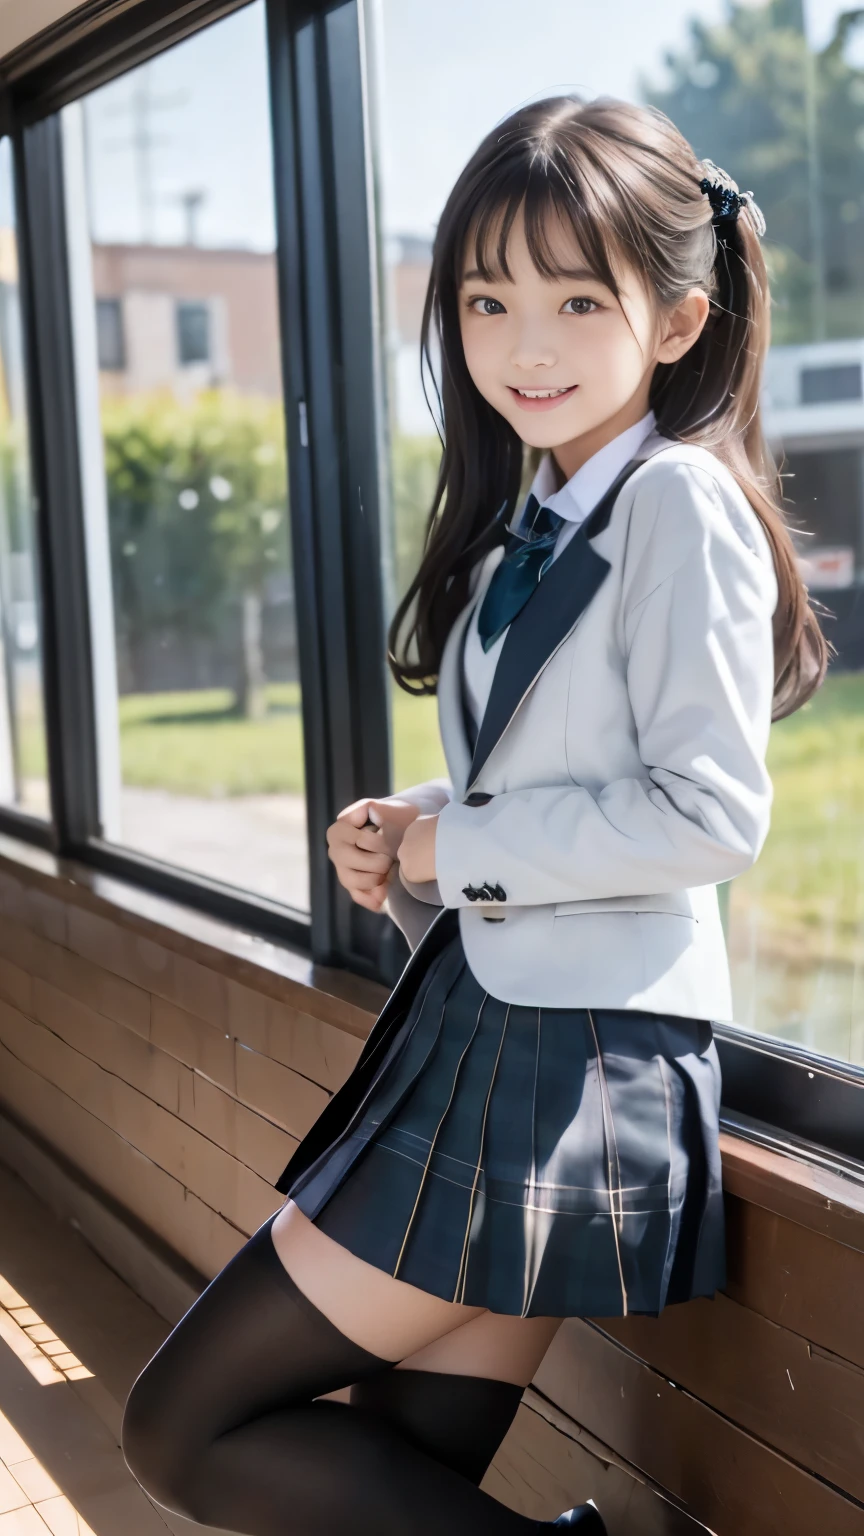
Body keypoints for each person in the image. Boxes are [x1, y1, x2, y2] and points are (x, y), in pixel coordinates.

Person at [121, 96, 828, 1536]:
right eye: (487, 298)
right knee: (409, 1485)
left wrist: (467, 849)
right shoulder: (543, 513)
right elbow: (563, 776)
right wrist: (420, 829)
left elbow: (708, 815)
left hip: (575, 1064)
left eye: (579, 298)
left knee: (179, 1430)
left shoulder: (679, 503)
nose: (525, 344)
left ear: (679, 322)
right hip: (495, 1028)